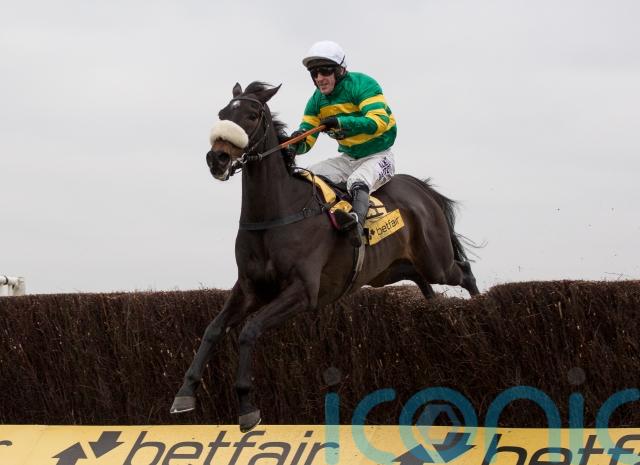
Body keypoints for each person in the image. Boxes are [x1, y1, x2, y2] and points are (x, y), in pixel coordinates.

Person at [290, 40, 397, 247]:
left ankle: (356, 228)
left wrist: (341, 122)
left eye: (325, 71)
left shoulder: (363, 84)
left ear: (340, 70)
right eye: (314, 73)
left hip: (379, 156)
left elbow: (379, 122)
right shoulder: (316, 101)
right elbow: (307, 139)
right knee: (306, 176)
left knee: (357, 180)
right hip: (348, 159)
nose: (319, 78)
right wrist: (293, 144)